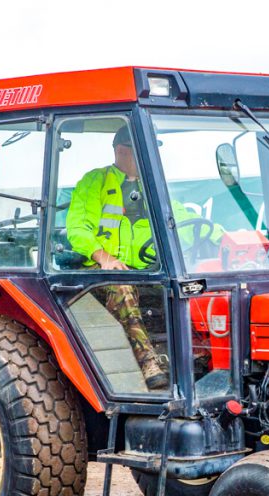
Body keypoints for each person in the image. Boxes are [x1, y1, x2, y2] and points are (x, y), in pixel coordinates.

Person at [66, 126, 221, 390]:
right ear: (122, 151)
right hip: (101, 273)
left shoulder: (153, 185)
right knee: (121, 286)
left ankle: (198, 354)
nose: (150, 158)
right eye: (143, 152)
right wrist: (103, 257)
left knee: (192, 284)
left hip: (148, 269)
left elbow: (181, 217)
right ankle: (148, 361)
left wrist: (223, 239)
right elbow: (77, 228)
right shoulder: (95, 182)